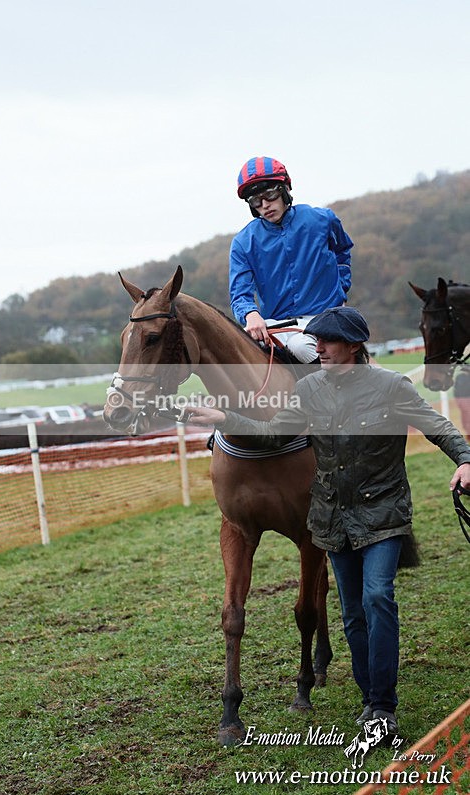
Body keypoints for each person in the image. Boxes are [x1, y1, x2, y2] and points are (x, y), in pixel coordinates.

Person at [188, 307, 470, 735]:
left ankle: (382, 704)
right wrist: (226, 420)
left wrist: (466, 460)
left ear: (353, 346)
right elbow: (274, 433)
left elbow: (438, 427)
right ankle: (368, 699)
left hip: (383, 514)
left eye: (327, 341)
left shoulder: (392, 386)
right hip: (334, 518)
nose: (317, 348)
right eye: (315, 340)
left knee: (377, 597)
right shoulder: (309, 390)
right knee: (352, 613)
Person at [230, 156, 354, 363]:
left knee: (300, 346)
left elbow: (343, 252)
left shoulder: (323, 220)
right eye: (256, 201)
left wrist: (341, 288)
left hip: (324, 317)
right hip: (278, 325)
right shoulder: (243, 243)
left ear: (285, 189)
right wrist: (250, 314)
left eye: (270, 195)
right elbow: (239, 294)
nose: (265, 205)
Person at [454, 366, 470, 441]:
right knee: (465, 420)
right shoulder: (459, 377)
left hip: (467, 400)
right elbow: (456, 390)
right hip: (462, 400)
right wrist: (458, 400)